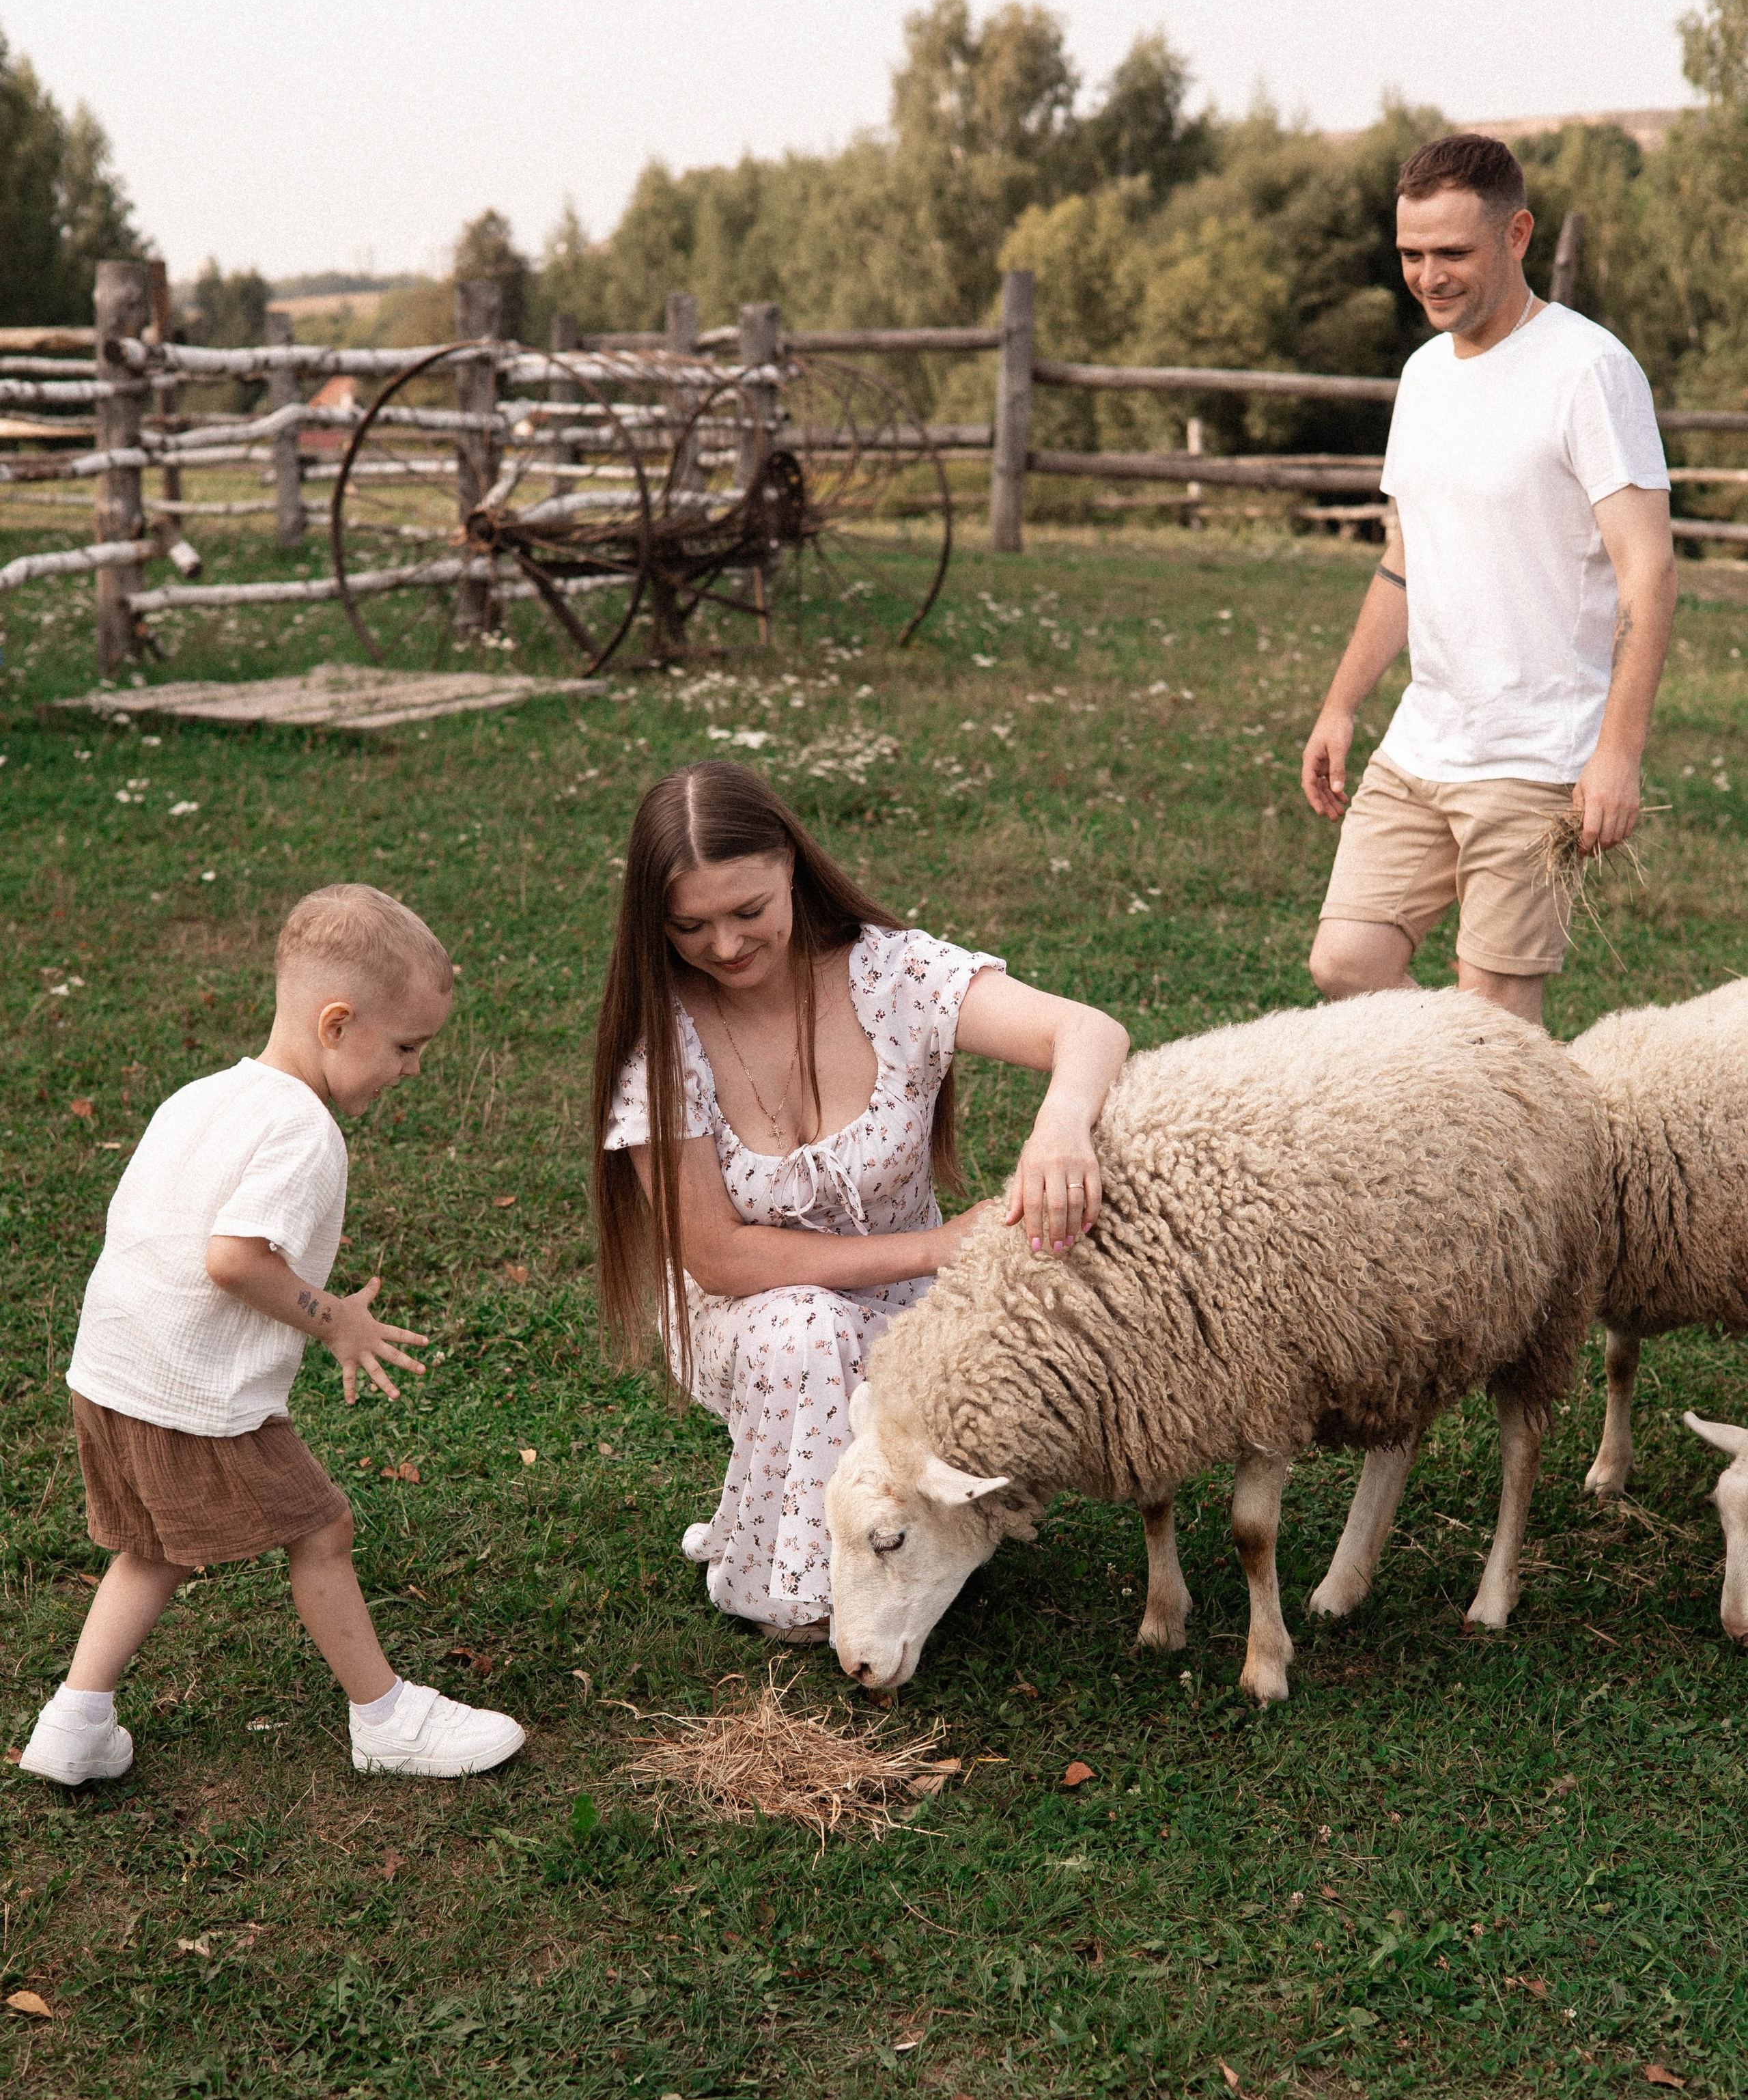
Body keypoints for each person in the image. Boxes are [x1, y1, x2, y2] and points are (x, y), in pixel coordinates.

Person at [591, 761, 1129, 1642]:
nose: (724, 946)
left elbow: (1089, 1029)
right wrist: (931, 1249)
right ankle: (794, 1594)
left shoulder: (892, 976)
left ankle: (904, 1530)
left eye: (748, 911)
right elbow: (720, 1257)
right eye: (689, 925)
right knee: (807, 1332)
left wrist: (1061, 1128)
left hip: (914, 1314)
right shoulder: (662, 1037)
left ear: (792, 867)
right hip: (752, 1314)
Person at [18, 884, 526, 1788]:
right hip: (190, 1398)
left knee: (155, 1551)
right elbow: (232, 1260)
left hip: (106, 1377)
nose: (413, 1069)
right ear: (337, 1023)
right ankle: (385, 1719)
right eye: (407, 1047)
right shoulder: (304, 1131)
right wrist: (337, 1322)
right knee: (324, 1531)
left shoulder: (205, 1096)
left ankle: (74, 1722)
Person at [1301, 132, 1676, 1026]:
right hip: (1426, 740)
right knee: (1347, 963)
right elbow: (1404, 559)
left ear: (1517, 235)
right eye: (1412, 255)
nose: (1430, 276)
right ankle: (1489, 1105)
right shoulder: (1424, 375)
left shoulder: (1589, 370)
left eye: (1454, 253)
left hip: (1539, 748)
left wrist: (1617, 752)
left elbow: (1651, 572)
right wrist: (1341, 703)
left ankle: (1525, 1141)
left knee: (1496, 1011)